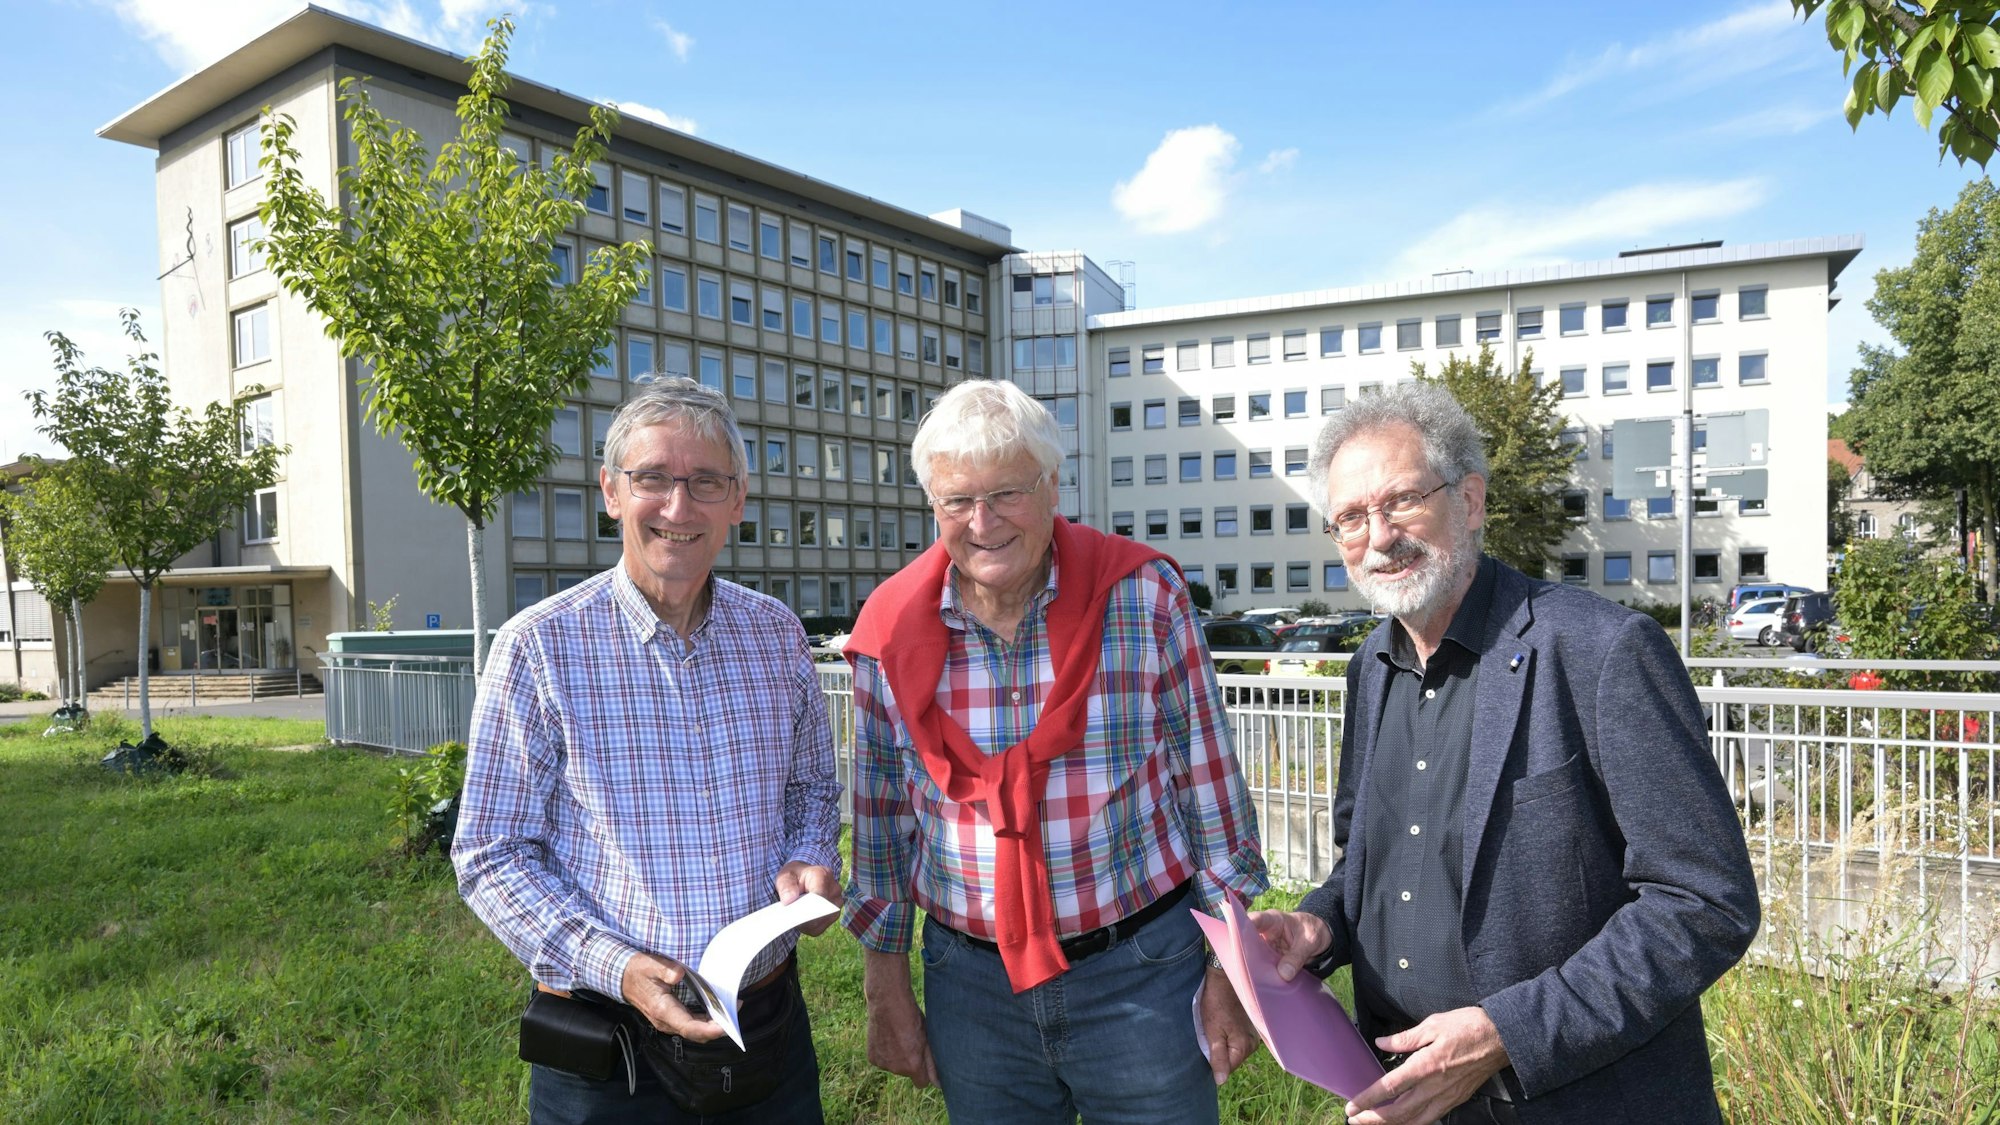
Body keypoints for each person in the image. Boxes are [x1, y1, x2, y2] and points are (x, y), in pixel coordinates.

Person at [1246, 383, 1760, 1125]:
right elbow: (1369, 864)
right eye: (1351, 518)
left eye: (1402, 501)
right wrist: (1318, 926)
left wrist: (1507, 1034)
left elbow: (1704, 901)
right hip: (1405, 1099)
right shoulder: (1370, 670)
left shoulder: (1601, 651)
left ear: (1472, 500)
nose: (1380, 535)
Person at [842, 378, 1270, 1124]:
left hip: (1142, 976)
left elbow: (1212, 797)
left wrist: (1235, 975)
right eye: (956, 501)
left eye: (1006, 492)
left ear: (1052, 485)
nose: (982, 522)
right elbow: (882, 829)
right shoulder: (886, 631)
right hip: (971, 991)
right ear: (932, 506)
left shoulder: (1144, 596)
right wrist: (886, 988)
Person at [453, 377, 843, 1124]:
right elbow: (490, 852)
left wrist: (811, 855)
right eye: (653, 478)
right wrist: (619, 967)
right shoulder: (540, 646)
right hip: (609, 1050)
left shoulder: (776, 634)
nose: (677, 506)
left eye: (704, 482)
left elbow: (811, 793)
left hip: (766, 1033)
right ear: (610, 489)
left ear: (739, 499)